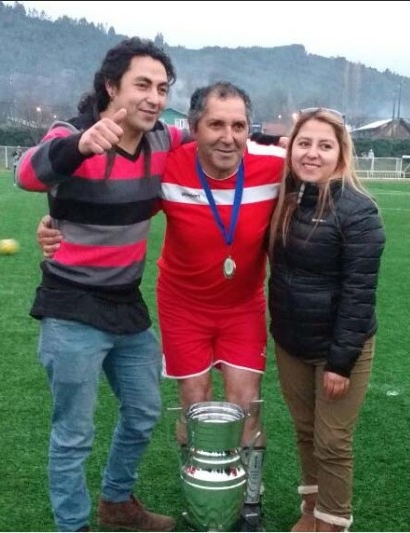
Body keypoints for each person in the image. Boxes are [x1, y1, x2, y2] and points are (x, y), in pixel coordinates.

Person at [37, 82, 285, 531]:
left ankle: (248, 504)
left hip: (243, 305)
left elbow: (322, 167)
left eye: (238, 126)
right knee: (194, 405)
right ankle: (200, 500)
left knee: (246, 404)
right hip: (183, 305)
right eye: (215, 124)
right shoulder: (167, 166)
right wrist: (57, 223)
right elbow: (101, 195)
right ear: (193, 128)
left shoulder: (274, 166)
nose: (228, 136)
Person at [14, 36, 191, 533]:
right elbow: (24, 174)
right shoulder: (70, 133)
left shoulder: (163, 141)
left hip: (125, 304)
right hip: (71, 304)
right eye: (143, 85)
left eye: (162, 87)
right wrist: (77, 145)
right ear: (112, 86)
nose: (154, 97)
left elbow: (215, 140)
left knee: (144, 409)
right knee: (73, 433)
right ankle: (74, 526)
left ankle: (117, 503)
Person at [266, 108, 386, 532]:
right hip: (290, 341)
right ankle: (311, 511)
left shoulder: (359, 212)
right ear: (291, 148)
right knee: (304, 430)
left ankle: (333, 523)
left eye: (324, 145)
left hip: (337, 348)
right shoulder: (286, 198)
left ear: (341, 153)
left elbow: (359, 293)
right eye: (304, 143)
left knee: (332, 440)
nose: (312, 153)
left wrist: (340, 361)